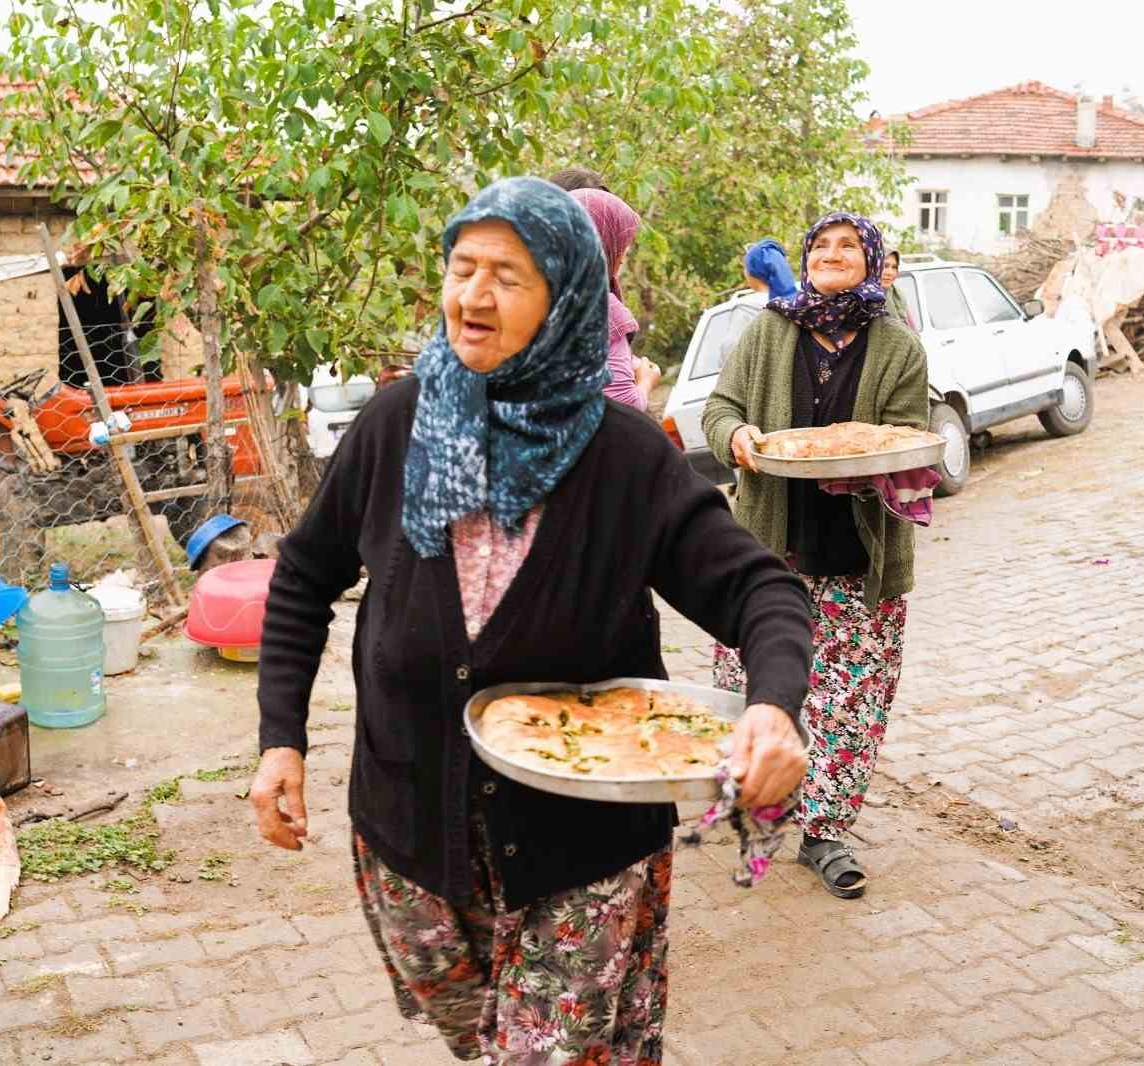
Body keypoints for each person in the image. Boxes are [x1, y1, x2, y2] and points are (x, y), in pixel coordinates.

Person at [251, 177, 811, 1065]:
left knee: (546, 1052)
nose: (472, 296)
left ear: (568, 296)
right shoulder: (398, 425)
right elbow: (304, 577)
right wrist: (281, 739)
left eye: (507, 276)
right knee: (474, 1032)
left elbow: (761, 592)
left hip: (582, 846)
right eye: (461, 267)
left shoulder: (624, 457)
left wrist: (774, 706)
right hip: (410, 826)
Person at [702, 211, 927, 900]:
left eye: (848, 246)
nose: (833, 254)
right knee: (762, 686)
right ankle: (765, 799)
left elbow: (911, 437)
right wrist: (738, 438)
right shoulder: (769, 329)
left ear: (872, 261)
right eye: (821, 245)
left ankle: (826, 832)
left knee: (850, 702)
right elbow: (718, 410)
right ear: (805, 258)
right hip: (772, 550)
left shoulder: (897, 345)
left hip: (859, 557)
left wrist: (873, 461)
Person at [571, 187, 661, 410]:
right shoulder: (601, 310)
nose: (624, 256)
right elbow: (624, 405)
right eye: (622, 244)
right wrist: (645, 382)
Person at [881, 248, 916, 330]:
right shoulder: (863, 300)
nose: (890, 273)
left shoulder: (897, 295)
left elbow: (912, 331)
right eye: (885, 266)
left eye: (894, 267)